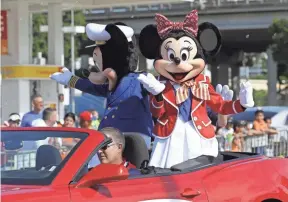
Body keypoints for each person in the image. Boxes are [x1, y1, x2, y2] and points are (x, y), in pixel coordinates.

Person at [137, 10, 254, 168]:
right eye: (171, 56)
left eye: (184, 56)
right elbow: (157, 113)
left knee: (201, 173)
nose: (178, 62)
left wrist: (243, 103)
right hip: (170, 137)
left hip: (198, 136)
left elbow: (221, 106)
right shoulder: (159, 84)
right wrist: (158, 94)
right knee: (167, 172)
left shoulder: (203, 83)